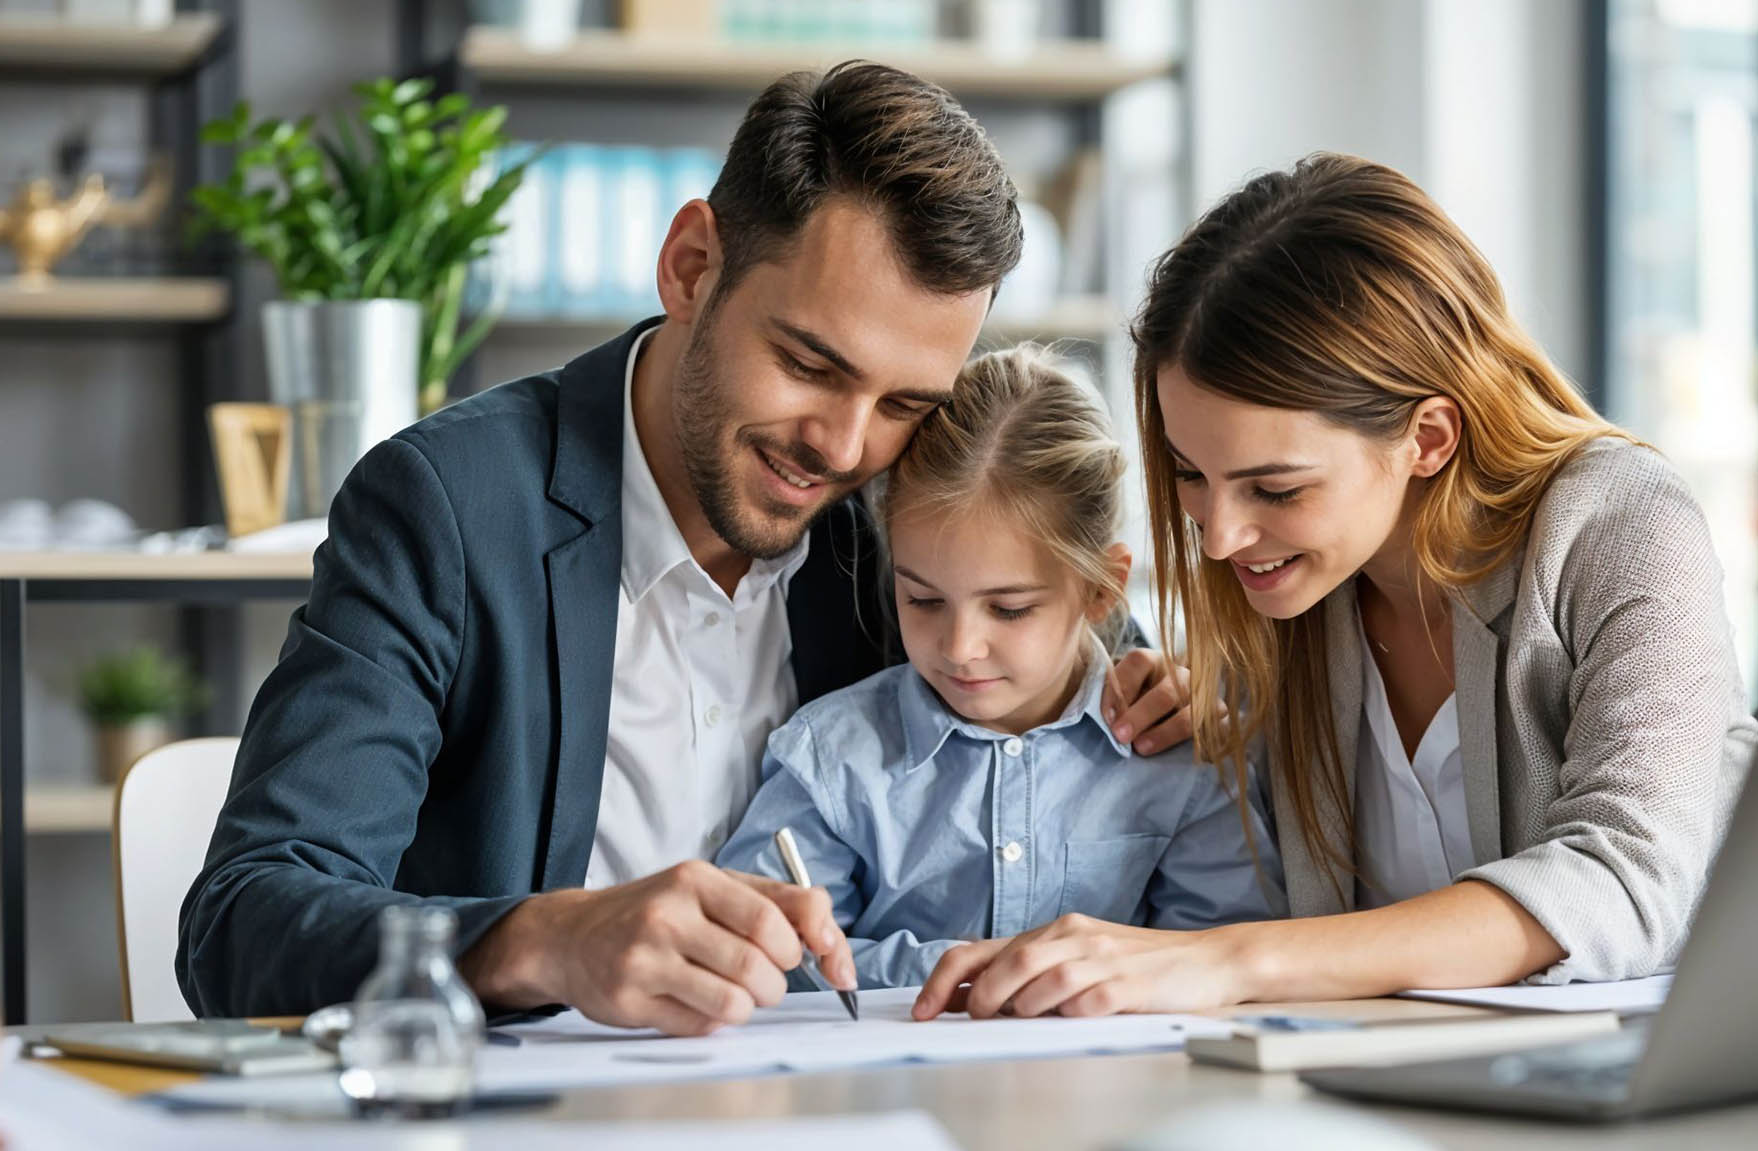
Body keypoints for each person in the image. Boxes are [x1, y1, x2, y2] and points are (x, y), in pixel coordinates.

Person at [177, 62, 1194, 1033]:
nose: (843, 447)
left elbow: (1088, 669)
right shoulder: (445, 506)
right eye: (807, 362)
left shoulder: (911, 513)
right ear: (691, 267)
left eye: (901, 402)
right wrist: (542, 940)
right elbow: (242, 921)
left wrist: (1175, 691)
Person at [913, 153, 1758, 1021]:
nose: (1219, 538)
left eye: (1276, 489)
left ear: (1427, 438)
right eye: (1190, 474)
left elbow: (1625, 876)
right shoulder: (1291, 603)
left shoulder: (1620, 525)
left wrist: (1231, 960)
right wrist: (1203, 726)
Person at [714, 347, 1285, 988]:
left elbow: (1222, 957)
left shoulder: (1184, 760)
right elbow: (766, 953)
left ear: (1102, 589)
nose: (959, 647)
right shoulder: (831, 759)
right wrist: (964, 975)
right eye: (923, 600)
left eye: (1009, 609)